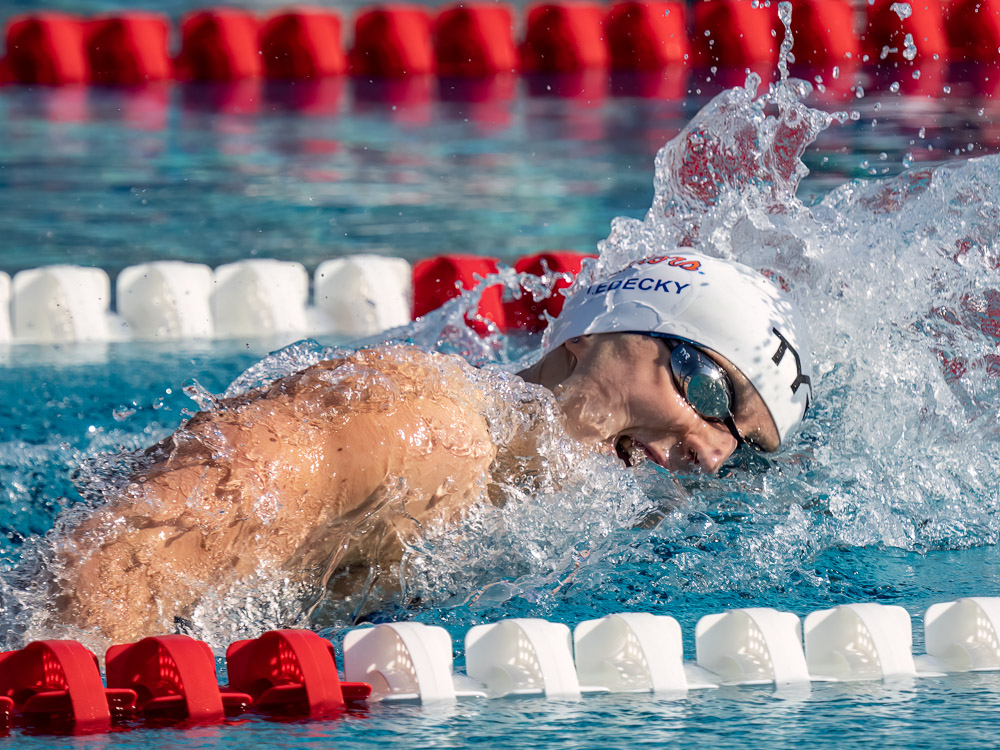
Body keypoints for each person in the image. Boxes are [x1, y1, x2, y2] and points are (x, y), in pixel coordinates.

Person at [49, 249, 812, 644]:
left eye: (738, 445)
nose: (710, 455)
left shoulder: (555, 500)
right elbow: (119, 552)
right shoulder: (425, 427)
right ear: (597, 333)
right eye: (711, 392)